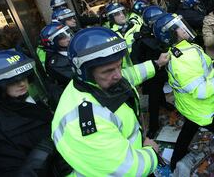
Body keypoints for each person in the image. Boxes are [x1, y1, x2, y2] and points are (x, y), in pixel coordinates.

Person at [52, 27, 169, 176]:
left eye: (119, 65)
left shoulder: (97, 81)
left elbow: (129, 76)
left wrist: (156, 64)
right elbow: (126, 171)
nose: (118, 75)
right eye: (108, 71)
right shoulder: (85, 121)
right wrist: (151, 152)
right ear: (85, 72)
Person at [153, 13, 214, 175]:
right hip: (204, 109)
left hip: (190, 106)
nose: (185, 27)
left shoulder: (180, 49)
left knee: (189, 128)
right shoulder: (185, 57)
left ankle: (175, 162)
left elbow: (200, 74)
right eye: (180, 26)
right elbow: (201, 91)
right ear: (171, 33)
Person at [0, 50, 58, 176]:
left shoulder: (36, 101)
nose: (21, 83)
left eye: (23, 77)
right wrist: (43, 153)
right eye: (12, 81)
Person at [131, 6, 173, 138]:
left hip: (160, 71)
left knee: (160, 90)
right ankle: (153, 126)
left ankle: (164, 103)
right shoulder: (143, 40)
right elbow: (136, 59)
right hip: (151, 73)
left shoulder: (156, 32)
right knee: (153, 100)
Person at [40, 22, 74, 89]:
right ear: (52, 42)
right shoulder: (57, 64)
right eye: (62, 37)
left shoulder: (70, 49)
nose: (69, 38)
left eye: (68, 33)